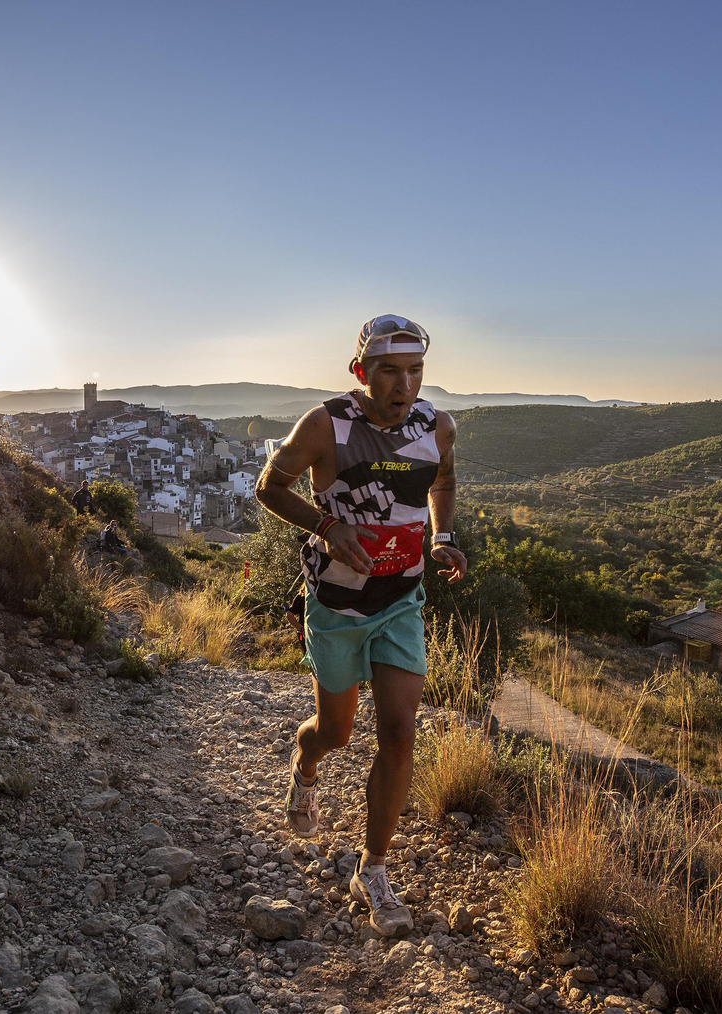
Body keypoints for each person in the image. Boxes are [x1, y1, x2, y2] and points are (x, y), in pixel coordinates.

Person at [253, 313, 467, 937]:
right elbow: (269, 486)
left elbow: (444, 479)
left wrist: (442, 537)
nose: (405, 385)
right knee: (337, 732)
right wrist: (327, 526)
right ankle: (305, 762)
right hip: (338, 606)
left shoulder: (437, 426)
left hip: (401, 601)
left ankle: (371, 869)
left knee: (399, 735)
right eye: (389, 372)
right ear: (360, 371)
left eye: (415, 371)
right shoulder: (327, 425)